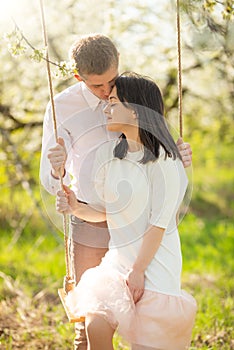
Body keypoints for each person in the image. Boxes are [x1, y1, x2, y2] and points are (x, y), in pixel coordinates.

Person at [39, 34, 193, 350]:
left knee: (145, 321)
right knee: (91, 319)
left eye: (112, 84)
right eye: (99, 87)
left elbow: (156, 142)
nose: (107, 93)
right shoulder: (62, 107)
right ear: (78, 76)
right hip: (96, 218)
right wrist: (60, 172)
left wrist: (176, 153)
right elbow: (53, 177)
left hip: (142, 227)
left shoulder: (130, 91)